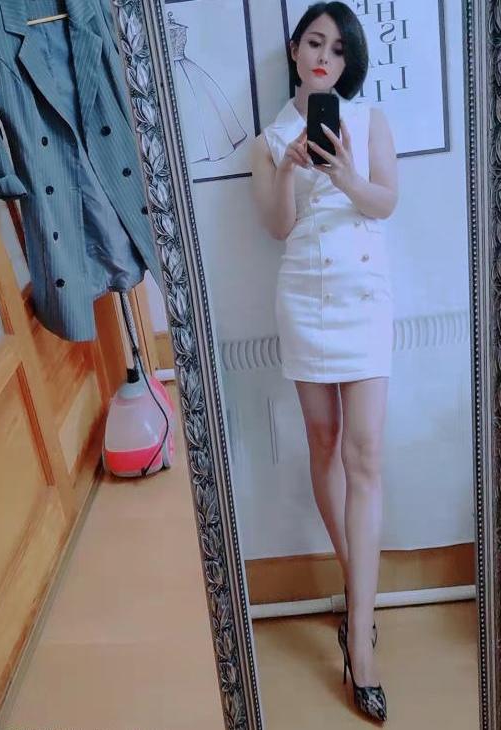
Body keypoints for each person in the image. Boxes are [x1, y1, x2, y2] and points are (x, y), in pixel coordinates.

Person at [250, 2, 398, 722]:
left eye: (338, 50)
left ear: (348, 63)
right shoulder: (269, 140)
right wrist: (286, 167)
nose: (324, 58)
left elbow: (386, 202)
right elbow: (278, 226)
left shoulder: (368, 121)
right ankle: (358, 590)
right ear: (294, 48)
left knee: (365, 455)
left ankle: (360, 637)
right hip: (304, 302)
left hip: (364, 300)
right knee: (325, 444)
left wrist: (343, 174)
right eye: (314, 43)